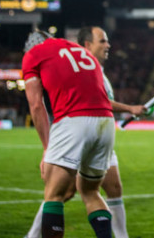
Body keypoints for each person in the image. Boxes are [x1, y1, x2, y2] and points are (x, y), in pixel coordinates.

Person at [25, 26, 146, 238]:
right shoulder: (77, 50)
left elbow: (36, 105)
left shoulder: (33, 54)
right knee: (90, 192)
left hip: (73, 120)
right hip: (105, 123)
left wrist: (47, 148)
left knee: (53, 195)